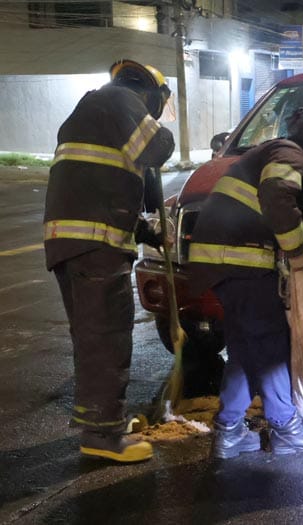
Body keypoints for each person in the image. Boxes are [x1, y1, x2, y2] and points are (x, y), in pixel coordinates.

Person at [188, 107, 303, 459]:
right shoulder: (291, 154)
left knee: (246, 350)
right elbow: (279, 197)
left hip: (224, 263)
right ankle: (288, 429)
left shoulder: (273, 152)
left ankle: (229, 432)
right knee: (271, 347)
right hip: (241, 262)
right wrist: (300, 254)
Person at [44, 59, 175, 462]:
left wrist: (146, 229)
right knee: (106, 338)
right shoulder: (119, 100)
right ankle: (102, 436)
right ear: (150, 94)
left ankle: (102, 423)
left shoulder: (93, 110)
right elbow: (160, 147)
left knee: (93, 338)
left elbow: (100, 189)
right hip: (94, 247)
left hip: (76, 243)